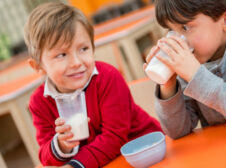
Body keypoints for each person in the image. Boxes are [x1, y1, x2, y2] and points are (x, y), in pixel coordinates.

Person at [25, 2, 162, 168]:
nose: (76, 62)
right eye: (62, 54)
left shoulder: (107, 78)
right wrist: (60, 146)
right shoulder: (39, 102)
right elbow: (45, 155)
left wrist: (75, 165)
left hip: (145, 152)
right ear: (37, 66)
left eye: (83, 49)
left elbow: (114, 138)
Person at [144, 0, 226, 139]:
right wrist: (168, 86)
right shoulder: (191, 61)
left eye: (185, 27)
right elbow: (178, 131)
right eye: (171, 30)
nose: (179, 41)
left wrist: (196, 76)